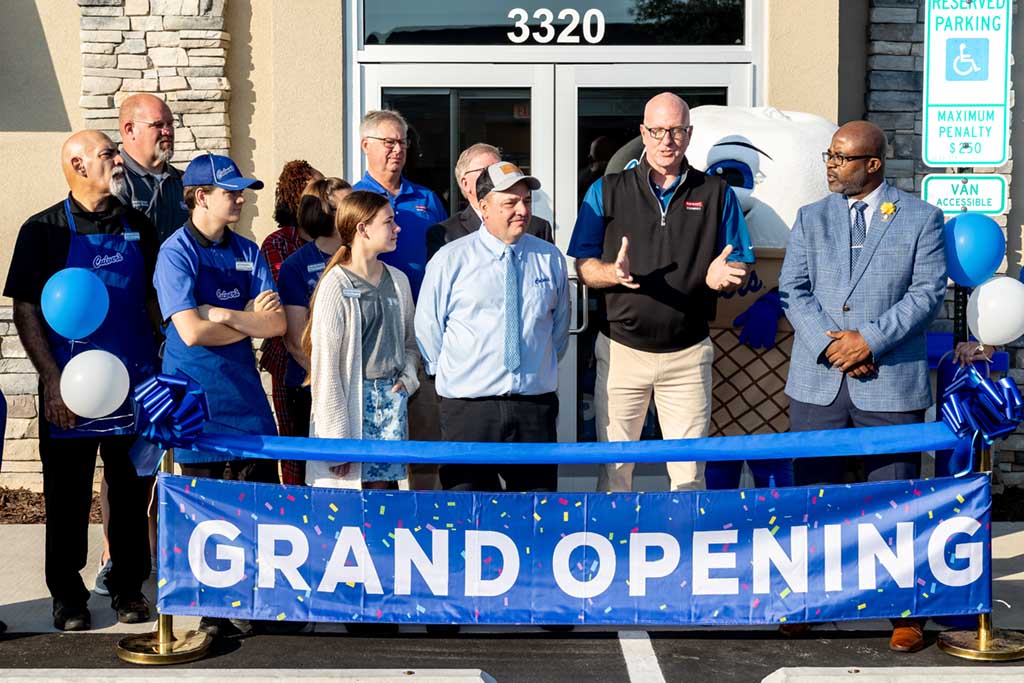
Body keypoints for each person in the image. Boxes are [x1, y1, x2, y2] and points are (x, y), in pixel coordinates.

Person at [778, 120, 946, 652]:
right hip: (818, 381)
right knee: (813, 500)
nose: (829, 164)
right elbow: (793, 290)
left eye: (840, 157)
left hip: (889, 381)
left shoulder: (922, 217)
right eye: (828, 155)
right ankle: (808, 599)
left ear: (873, 164)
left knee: (896, 497)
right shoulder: (810, 218)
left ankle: (904, 609)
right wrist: (832, 347)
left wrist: (868, 341)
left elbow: (926, 294)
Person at [4, 130, 160, 631]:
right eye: (107, 154)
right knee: (67, 496)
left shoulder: (139, 224)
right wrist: (50, 380)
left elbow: (156, 303)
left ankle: (129, 587)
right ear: (77, 164)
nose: (118, 161)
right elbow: (25, 308)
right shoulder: (43, 230)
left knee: (133, 493)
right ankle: (67, 596)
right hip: (69, 389)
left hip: (131, 383)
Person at [567, 92, 754, 493]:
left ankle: (685, 553)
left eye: (675, 131)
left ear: (689, 134)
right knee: (615, 471)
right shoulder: (607, 189)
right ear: (642, 133)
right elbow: (582, 266)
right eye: (657, 131)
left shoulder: (717, 192)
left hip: (688, 354)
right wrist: (611, 273)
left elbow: (739, 260)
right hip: (622, 352)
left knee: (688, 476)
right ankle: (615, 551)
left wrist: (725, 275)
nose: (666, 140)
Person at [154, 153, 286, 637]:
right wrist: (242, 318)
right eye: (230, 190)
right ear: (200, 196)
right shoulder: (176, 252)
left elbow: (275, 324)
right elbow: (188, 331)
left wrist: (225, 316)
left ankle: (263, 602)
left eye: (241, 190)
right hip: (196, 402)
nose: (240, 197)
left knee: (258, 502)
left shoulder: (249, 250)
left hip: (246, 401)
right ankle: (213, 610)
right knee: (204, 508)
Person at [417, 161, 569, 493]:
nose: (522, 210)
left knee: (535, 514)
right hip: (470, 410)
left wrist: (534, 367)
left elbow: (558, 329)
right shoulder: (451, 259)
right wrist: (453, 373)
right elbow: (428, 326)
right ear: (483, 207)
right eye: (510, 203)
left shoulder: (550, 257)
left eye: (526, 201)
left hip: (533, 408)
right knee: (467, 515)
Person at [303, 190, 420, 490]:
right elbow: (326, 369)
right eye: (389, 221)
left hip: (391, 407)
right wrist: (336, 443)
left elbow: (411, 342)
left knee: (387, 502)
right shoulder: (335, 286)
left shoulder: (399, 281)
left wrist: (407, 379)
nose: (398, 228)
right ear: (362, 229)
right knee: (352, 510)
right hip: (352, 409)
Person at [277, 177, 352, 484]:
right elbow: (295, 341)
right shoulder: (297, 265)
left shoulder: (360, 259)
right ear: (326, 213)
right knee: (319, 478)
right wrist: (333, 384)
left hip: (356, 389)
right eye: (348, 205)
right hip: (311, 388)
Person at [258, 160, 324, 443]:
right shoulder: (278, 243)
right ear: (298, 198)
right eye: (317, 191)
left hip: (331, 353)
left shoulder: (335, 240)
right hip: (289, 360)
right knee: (295, 444)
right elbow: (283, 298)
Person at [353, 109, 447, 301]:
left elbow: (448, 253)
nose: (398, 150)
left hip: (424, 308)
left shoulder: (427, 198)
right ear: (366, 145)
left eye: (402, 142)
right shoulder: (354, 200)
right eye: (389, 142)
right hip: (374, 308)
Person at [426, 142, 553, 261]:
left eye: (499, 169)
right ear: (465, 183)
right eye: (485, 171)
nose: (495, 176)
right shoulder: (446, 234)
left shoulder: (538, 227)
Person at [115, 93, 187, 243]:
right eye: (158, 125)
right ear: (130, 130)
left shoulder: (185, 181)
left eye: (170, 124)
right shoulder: (113, 181)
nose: (168, 131)